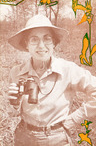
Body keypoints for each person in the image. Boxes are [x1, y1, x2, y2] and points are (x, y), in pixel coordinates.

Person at [8, 14, 96, 146]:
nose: (41, 46)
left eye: (47, 39)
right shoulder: (16, 72)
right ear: (26, 44)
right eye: (34, 39)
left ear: (54, 43)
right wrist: (14, 103)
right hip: (23, 137)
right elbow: (13, 113)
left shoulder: (68, 69)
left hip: (57, 139)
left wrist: (73, 120)